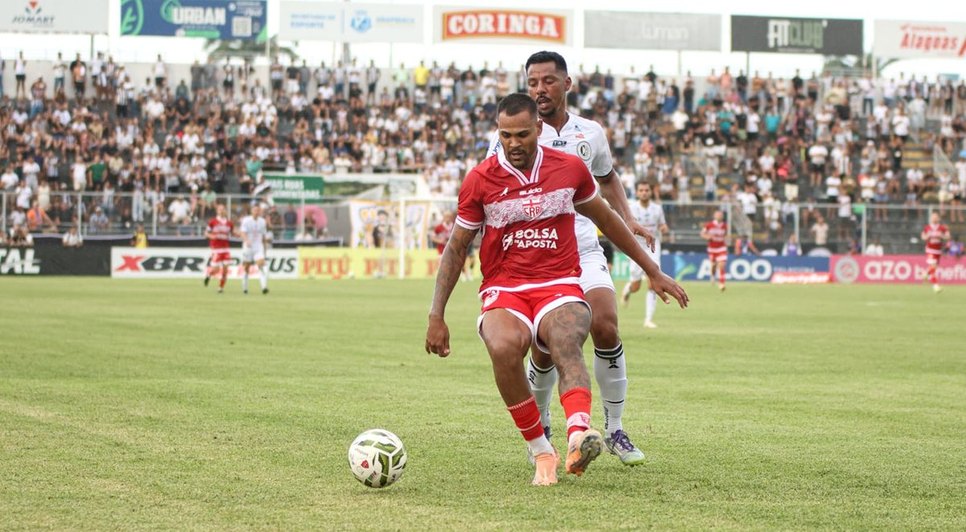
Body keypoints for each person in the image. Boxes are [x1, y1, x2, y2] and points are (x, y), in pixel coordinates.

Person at [425, 94, 688, 486]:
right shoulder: (480, 179)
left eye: (522, 134)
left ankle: (579, 436)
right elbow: (456, 247)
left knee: (566, 340)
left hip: (559, 282)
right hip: (505, 286)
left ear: (539, 130)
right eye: (506, 135)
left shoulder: (569, 168)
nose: (514, 143)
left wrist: (652, 270)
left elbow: (609, 220)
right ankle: (540, 450)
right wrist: (436, 315)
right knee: (502, 347)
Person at [488, 51, 657, 466]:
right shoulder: (515, 133)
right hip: (538, 255)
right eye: (532, 82)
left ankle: (614, 427)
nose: (539, 89)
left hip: (582, 244)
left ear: (567, 83)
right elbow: (494, 188)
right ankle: (543, 422)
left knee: (606, 325)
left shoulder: (590, 133)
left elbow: (607, 177)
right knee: (546, 347)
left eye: (547, 81)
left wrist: (629, 218)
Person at [621, 182, 669, 329]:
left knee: (653, 282)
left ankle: (648, 319)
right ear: (637, 192)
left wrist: (663, 228)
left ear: (650, 192)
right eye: (641, 190)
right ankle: (628, 289)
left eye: (646, 190)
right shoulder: (631, 208)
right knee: (636, 286)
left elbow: (662, 225)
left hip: (653, 247)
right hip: (636, 246)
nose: (644, 192)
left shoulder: (657, 208)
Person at [204, 204, 235, 294]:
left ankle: (220, 287)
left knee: (225, 269)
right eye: (220, 209)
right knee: (216, 269)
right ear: (217, 211)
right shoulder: (213, 222)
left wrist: (240, 234)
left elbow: (232, 233)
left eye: (223, 209)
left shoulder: (229, 223)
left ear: (225, 211)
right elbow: (206, 233)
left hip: (225, 248)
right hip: (216, 249)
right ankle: (209, 275)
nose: (221, 211)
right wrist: (211, 236)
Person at [240, 203, 270, 294]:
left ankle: (264, 287)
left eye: (258, 210)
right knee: (246, 268)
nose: (256, 212)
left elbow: (263, 236)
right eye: (255, 210)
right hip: (248, 247)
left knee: (261, 265)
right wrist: (246, 240)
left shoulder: (263, 221)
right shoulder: (246, 220)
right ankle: (245, 288)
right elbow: (242, 233)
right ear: (251, 211)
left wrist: (264, 249)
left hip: (258, 247)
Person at [921, 212, 950, 293]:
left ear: (939, 218)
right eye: (933, 217)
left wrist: (942, 236)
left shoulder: (942, 228)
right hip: (930, 250)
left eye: (936, 217)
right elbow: (923, 237)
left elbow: (948, 237)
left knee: (933, 268)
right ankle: (936, 286)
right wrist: (928, 236)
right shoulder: (927, 228)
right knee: (933, 267)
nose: (934, 218)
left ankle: (926, 274)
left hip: (938, 250)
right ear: (930, 218)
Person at [701, 210, 729, 291]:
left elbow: (725, 235)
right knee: (713, 265)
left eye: (721, 215)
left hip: (721, 247)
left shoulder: (725, 225)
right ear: (715, 216)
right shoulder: (709, 225)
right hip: (712, 248)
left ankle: (722, 283)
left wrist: (726, 243)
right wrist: (707, 237)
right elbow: (702, 234)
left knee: (722, 265)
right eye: (718, 215)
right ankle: (713, 276)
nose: (720, 216)